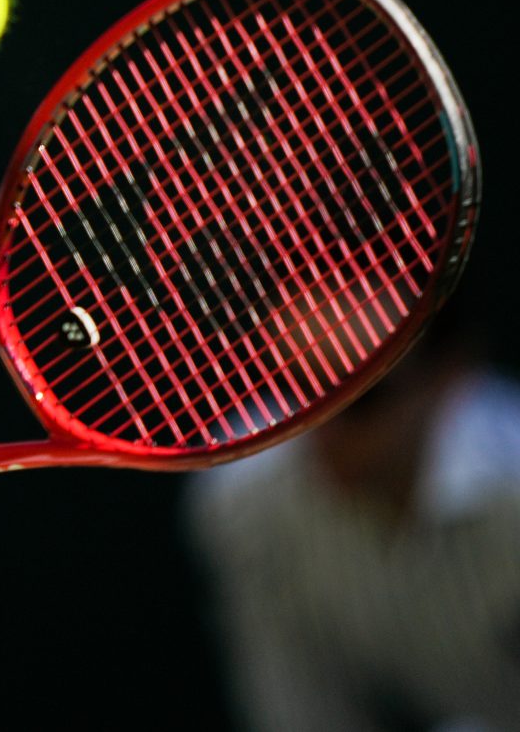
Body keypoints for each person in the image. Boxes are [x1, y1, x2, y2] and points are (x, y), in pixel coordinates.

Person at [184, 298, 520, 732]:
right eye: (299, 392)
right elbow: (297, 710)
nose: (324, 428)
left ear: (448, 375)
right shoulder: (244, 502)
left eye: (362, 396)